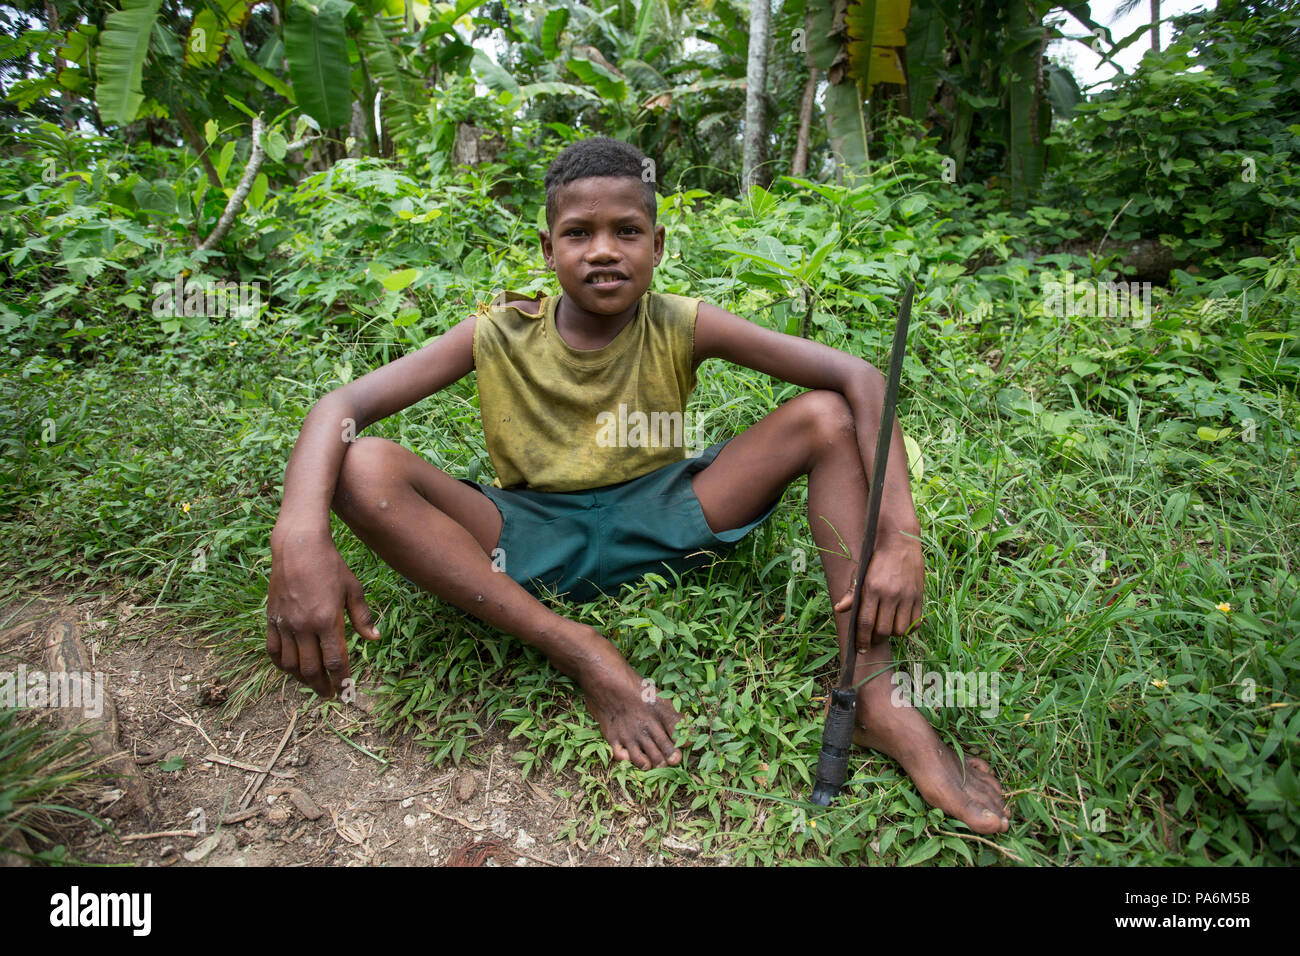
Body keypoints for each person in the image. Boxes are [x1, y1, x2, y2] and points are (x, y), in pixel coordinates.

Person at [266, 137, 1010, 834]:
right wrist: (299, 532)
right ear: (547, 249)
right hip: (525, 538)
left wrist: (900, 536)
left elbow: (858, 376)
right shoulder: (496, 332)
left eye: (627, 231)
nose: (603, 252)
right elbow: (341, 409)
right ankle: (581, 649)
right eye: (578, 233)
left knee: (824, 418)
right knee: (363, 464)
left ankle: (874, 691)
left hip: (669, 519)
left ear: (658, 247)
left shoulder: (681, 323)